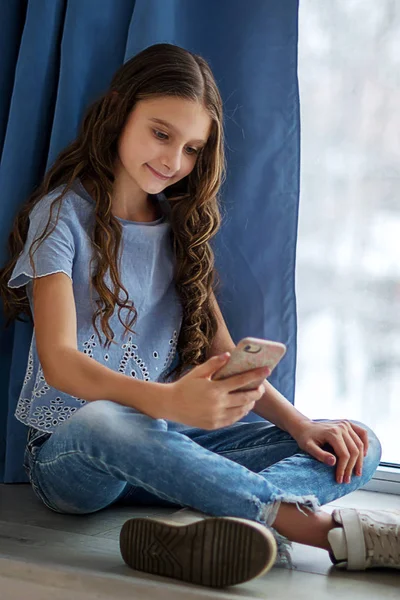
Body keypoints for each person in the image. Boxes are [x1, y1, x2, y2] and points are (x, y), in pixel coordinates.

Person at [0, 43, 398, 589]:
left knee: (356, 441)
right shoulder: (62, 216)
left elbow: (225, 357)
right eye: (161, 134)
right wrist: (167, 400)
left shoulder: (180, 229)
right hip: (75, 457)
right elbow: (60, 362)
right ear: (118, 111)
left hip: (172, 453)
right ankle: (328, 533)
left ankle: (202, 516)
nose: (173, 162)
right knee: (101, 418)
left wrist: (304, 426)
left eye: (191, 149)